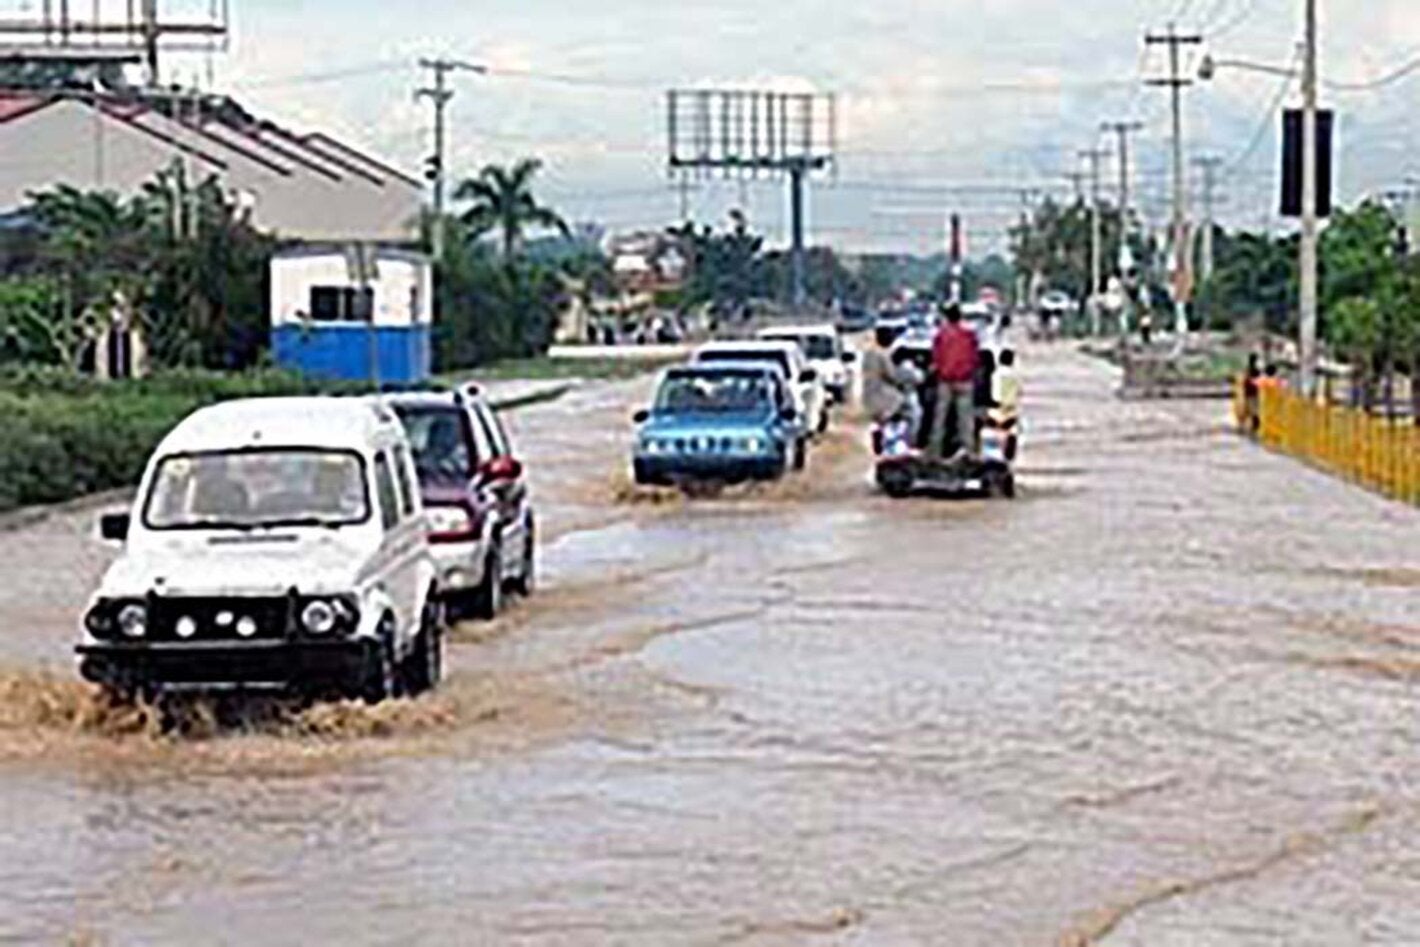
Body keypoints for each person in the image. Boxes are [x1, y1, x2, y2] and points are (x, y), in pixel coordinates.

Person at [928, 303, 981, 461]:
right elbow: (975, 359)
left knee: (940, 418)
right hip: (965, 381)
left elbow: (936, 359)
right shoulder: (969, 335)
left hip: (945, 381)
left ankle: (934, 452)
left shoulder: (941, 336)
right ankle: (969, 452)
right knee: (965, 419)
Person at [861, 326, 924, 437]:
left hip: (868, 396)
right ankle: (911, 440)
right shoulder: (882, 355)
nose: (891, 339)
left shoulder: (869, 354)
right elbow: (892, 376)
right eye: (890, 336)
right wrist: (912, 378)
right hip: (884, 395)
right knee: (915, 413)